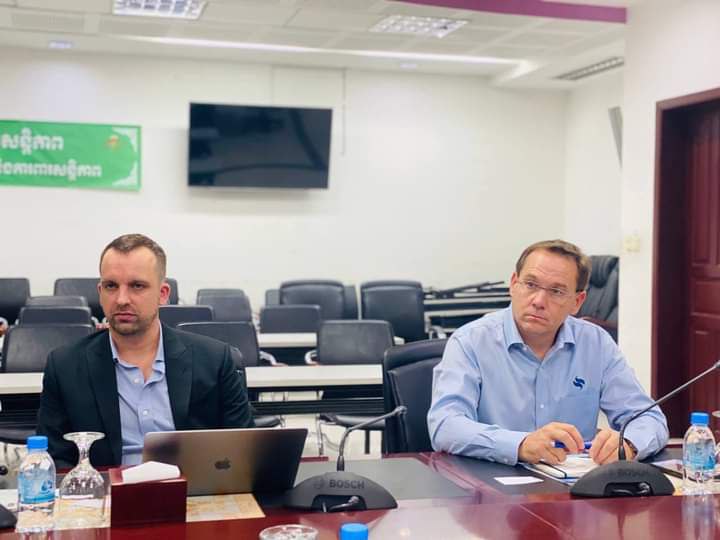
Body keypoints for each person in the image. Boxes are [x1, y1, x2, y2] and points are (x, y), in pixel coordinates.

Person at [427, 239, 668, 466]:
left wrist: (628, 444)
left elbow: (649, 419)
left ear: (577, 302)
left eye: (557, 291)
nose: (539, 301)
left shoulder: (596, 344)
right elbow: (445, 425)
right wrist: (520, 444)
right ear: (514, 284)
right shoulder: (470, 341)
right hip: (490, 481)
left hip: (572, 483)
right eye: (530, 285)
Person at [37, 234, 254, 467]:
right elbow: (55, 459)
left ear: (163, 294)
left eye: (137, 286)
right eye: (111, 286)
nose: (121, 299)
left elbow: (245, 452)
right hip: (108, 487)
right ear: (100, 292)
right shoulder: (65, 366)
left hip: (193, 486)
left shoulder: (214, 360)